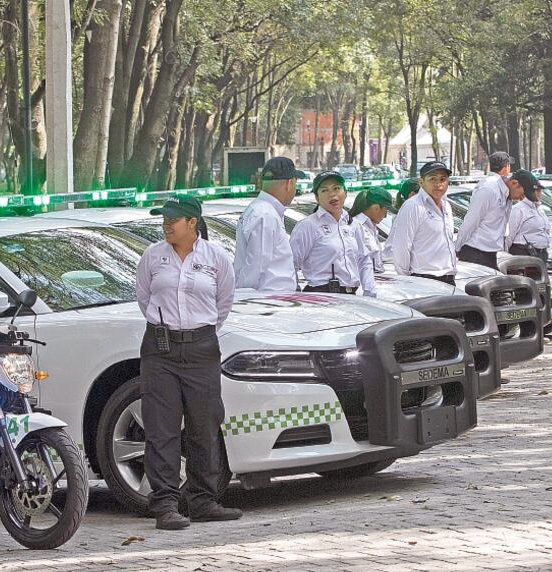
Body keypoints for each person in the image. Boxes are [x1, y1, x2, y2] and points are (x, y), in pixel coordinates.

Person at [136, 195, 239, 531]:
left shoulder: (215, 257)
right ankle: (166, 504)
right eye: (164, 219)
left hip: (201, 348)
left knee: (204, 425)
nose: (166, 225)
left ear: (192, 222)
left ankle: (203, 501)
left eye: (173, 220)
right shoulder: (153, 256)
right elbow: (144, 298)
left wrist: (197, 332)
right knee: (161, 428)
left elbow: (223, 302)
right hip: (160, 348)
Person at [290, 172, 377, 296]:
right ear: (317, 198)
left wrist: (370, 292)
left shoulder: (353, 225)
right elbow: (291, 264)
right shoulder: (308, 226)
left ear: (345, 193)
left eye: (336, 188)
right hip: (321, 297)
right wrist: (295, 295)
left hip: (351, 296)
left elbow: (364, 261)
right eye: (324, 190)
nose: (332, 194)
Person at [234, 156, 304, 292]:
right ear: (289, 184)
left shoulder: (261, 210)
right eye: (296, 184)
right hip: (269, 299)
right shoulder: (265, 215)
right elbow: (255, 268)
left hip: (271, 298)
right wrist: (243, 298)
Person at [386, 161, 458, 284]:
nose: (438, 184)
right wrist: (408, 280)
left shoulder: (446, 205)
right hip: (424, 279)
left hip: (448, 277)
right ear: (421, 182)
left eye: (442, 179)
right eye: (432, 179)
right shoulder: (413, 206)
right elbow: (401, 248)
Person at [455, 151, 516, 269]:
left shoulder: (500, 187)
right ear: (505, 168)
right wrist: (458, 247)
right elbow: (471, 221)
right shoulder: (488, 188)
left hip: (489, 252)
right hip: (476, 251)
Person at [506, 170, 549, 263]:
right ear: (529, 191)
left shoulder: (539, 210)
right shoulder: (518, 209)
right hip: (524, 254)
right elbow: (509, 237)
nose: (540, 193)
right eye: (537, 190)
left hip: (540, 255)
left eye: (540, 190)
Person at [348, 186, 394, 274]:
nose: (385, 216)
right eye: (386, 211)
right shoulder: (355, 226)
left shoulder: (371, 226)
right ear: (376, 208)